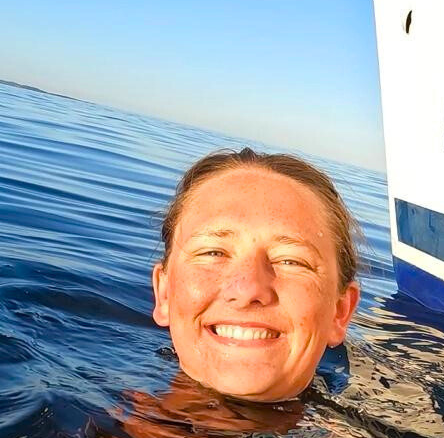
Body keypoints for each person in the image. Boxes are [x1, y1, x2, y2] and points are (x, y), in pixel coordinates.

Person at [151, 148, 363, 403]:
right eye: (213, 252)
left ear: (340, 312)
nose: (248, 289)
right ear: (164, 293)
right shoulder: (96, 427)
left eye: (291, 260)